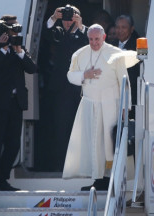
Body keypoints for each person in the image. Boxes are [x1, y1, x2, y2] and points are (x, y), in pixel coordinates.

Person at [62, 24, 139, 191]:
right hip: (90, 104)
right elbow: (70, 74)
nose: (94, 42)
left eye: (97, 39)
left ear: (103, 37)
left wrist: (126, 108)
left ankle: (112, 179)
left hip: (112, 104)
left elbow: (125, 82)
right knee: (94, 143)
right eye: (91, 39)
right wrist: (84, 75)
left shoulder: (115, 54)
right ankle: (97, 180)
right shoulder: (80, 54)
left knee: (110, 143)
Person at [0, 15, 36, 191]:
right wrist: (2, 48)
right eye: (12, 28)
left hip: (16, 103)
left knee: (13, 143)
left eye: (16, 28)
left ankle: (2, 178)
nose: (15, 32)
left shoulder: (19, 47)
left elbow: (32, 68)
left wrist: (19, 51)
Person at [40, 5, 89, 171]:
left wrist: (80, 25)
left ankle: (82, 167)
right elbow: (46, 35)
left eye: (71, 18)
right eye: (65, 18)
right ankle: (61, 166)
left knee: (83, 130)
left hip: (82, 90)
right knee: (62, 129)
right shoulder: (59, 32)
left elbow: (93, 42)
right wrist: (54, 18)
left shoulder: (86, 33)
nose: (68, 22)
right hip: (62, 90)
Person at [112, 15, 140, 119]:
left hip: (131, 93)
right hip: (114, 93)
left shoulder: (139, 44)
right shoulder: (111, 44)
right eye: (117, 27)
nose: (120, 30)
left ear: (131, 29)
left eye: (123, 27)